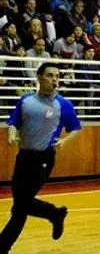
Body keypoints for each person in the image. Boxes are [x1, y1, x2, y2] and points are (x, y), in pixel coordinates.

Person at [0, 62, 82, 253]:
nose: (54, 79)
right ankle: (55, 213)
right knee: (21, 204)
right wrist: (12, 134)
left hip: (43, 159)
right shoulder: (26, 101)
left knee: (20, 206)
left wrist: (64, 141)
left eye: (57, 76)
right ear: (39, 77)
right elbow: (14, 122)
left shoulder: (63, 105)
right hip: (24, 157)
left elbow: (76, 127)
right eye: (50, 75)